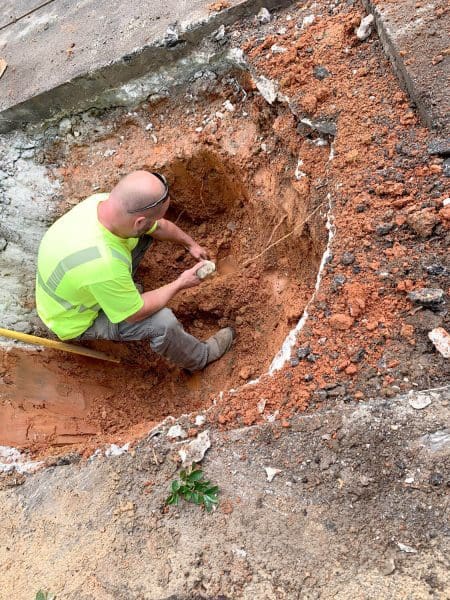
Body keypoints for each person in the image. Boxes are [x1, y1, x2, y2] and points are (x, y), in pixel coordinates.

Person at [36, 170, 234, 371]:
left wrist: (190, 244)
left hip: (81, 285)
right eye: (152, 219)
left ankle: (119, 293)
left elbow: (157, 227)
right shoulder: (104, 264)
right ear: (139, 221)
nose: (156, 222)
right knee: (163, 323)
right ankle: (200, 357)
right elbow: (134, 314)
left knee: (145, 235)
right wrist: (181, 282)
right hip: (74, 319)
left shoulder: (102, 203)